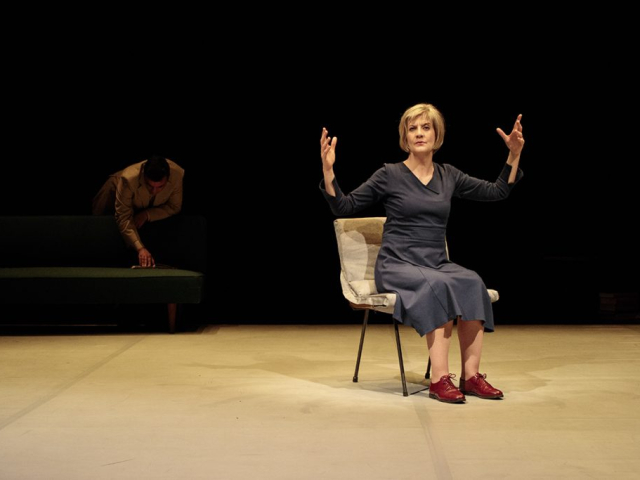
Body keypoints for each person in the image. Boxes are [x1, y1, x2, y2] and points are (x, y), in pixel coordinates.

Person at [319, 103, 524, 403]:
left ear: (436, 134)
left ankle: (471, 377)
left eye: (425, 128)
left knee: (472, 282)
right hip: (396, 265)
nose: (419, 133)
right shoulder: (389, 174)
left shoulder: (448, 175)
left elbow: (497, 191)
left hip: (435, 262)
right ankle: (440, 380)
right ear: (405, 137)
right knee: (437, 286)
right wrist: (328, 170)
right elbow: (344, 206)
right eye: (412, 128)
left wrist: (513, 155)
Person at [92, 155, 185, 267]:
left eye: (160, 187)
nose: (154, 191)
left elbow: (174, 207)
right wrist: (140, 249)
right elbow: (123, 217)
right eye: (149, 186)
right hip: (113, 193)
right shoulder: (128, 179)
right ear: (143, 176)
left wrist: (147, 214)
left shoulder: (177, 174)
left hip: (143, 205)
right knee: (101, 232)